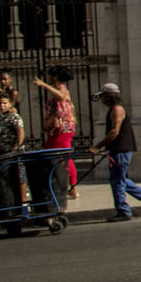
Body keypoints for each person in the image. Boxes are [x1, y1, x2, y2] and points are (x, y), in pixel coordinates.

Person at [89, 83, 141, 221]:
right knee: (119, 179)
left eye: (103, 97)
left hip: (121, 149)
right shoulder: (114, 109)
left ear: (109, 97)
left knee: (117, 181)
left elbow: (114, 131)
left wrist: (98, 146)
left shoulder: (117, 110)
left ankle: (123, 211)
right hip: (118, 149)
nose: (102, 100)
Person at [34, 65, 79, 199]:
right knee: (60, 157)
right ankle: (68, 186)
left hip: (63, 130)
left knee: (57, 156)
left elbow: (61, 97)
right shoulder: (55, 92)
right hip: (56, 130)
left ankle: (72, 186)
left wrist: (43, 85)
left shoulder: (61, 89)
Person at [0, 93, 26, 201]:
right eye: (0, 103)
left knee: (20, 176)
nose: (2, 105)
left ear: (10, 104)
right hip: (3, 151)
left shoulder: (14, 117)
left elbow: (20, 132)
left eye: (5, 103)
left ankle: (23, 200)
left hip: (15, 151)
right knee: (6, 176)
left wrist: (16, 147)